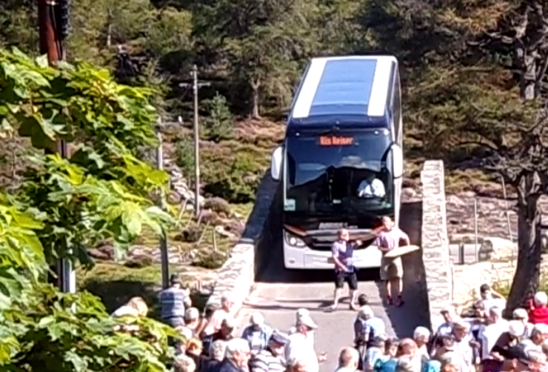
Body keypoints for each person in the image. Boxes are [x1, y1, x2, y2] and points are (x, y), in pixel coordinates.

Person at [374, 216, 410, 306]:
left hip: (396, 257)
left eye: (386, 222)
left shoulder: (396, 231)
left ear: (391, 222)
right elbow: (379, 247)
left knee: (399, 276)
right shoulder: (381, 234)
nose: (385, 224)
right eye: (383, 222)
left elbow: (405, 237)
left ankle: (399, 296)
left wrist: (407, 247)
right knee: (387, 278)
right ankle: (389, 297)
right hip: (386, 257)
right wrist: (387, 249)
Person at [330, 228, 362, 310]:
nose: (347, 236)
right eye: (345, 235)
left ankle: (352, 304)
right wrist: (341, 266)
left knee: (354, 287)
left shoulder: (350, 244)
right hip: (341, 269)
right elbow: (335, 258)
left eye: (347, 234)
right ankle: (335, 304)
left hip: (351, 268)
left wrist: (358, 243)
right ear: (340, 236)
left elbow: (356, 245)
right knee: (339, 287)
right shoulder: (336, 245)